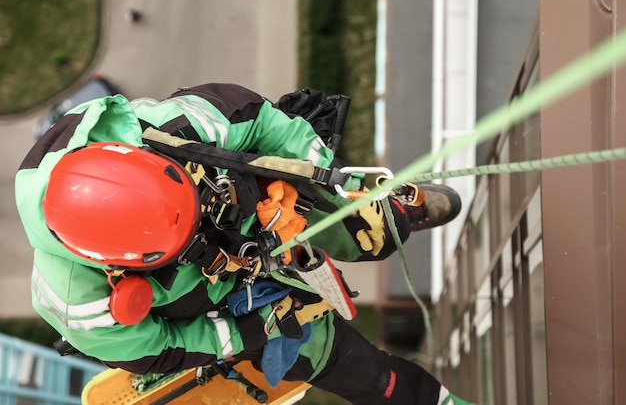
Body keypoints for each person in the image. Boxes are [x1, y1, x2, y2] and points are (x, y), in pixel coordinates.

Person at [15, 83, 472, 405]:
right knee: (345, 364)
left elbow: (257, 120)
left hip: (257, 203)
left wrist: (318, 169)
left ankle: (390, 217)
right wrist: (247, 332)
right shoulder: (81, 307)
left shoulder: (167, 129)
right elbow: (162, 347)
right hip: (228, 301)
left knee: (367, 227)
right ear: (123, 267)